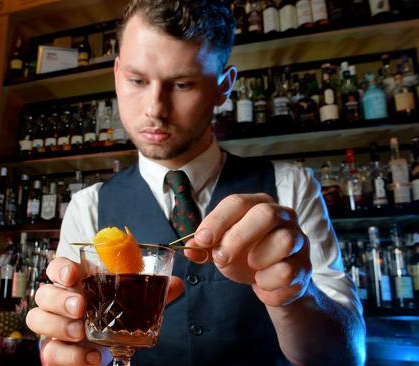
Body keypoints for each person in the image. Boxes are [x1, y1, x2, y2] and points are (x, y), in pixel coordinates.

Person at [25, 0, 366, 365]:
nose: (155, 108)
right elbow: (67, 340)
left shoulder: (292, 186)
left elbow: (349, 356)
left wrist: (296, 295)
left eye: (183, 83)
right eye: (137, 80)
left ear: (224, 85)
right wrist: (64, 344)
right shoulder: (86, 205)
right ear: (116, 74)